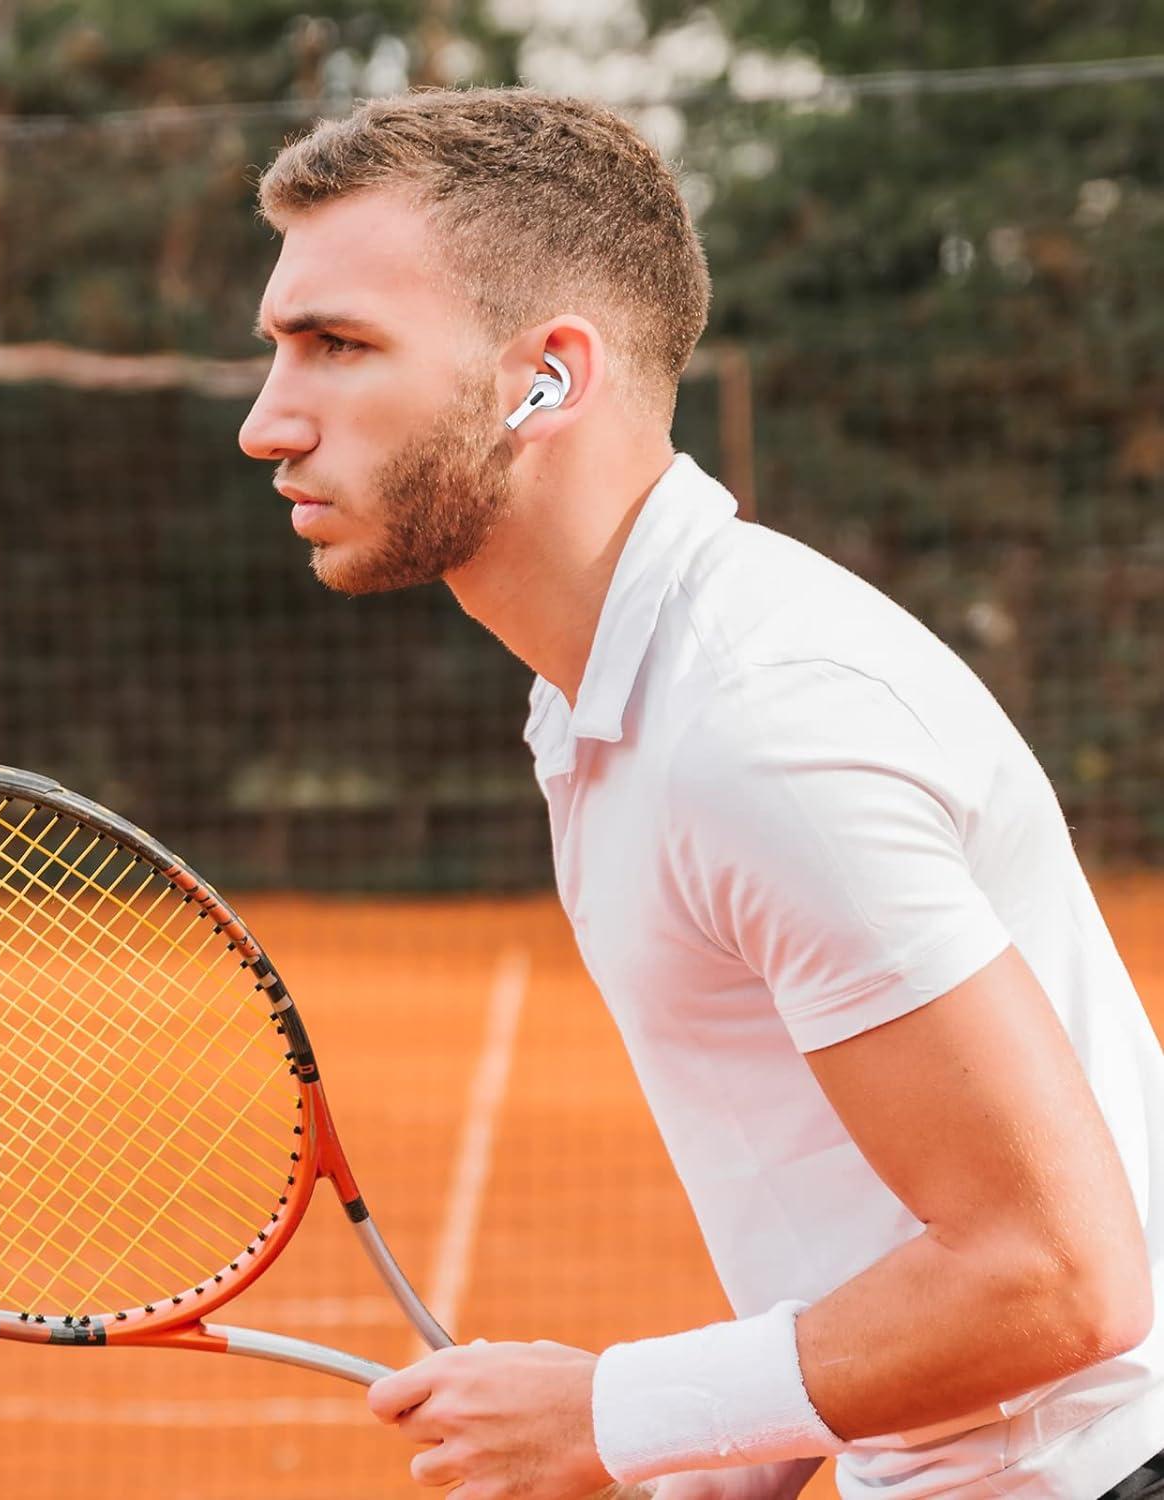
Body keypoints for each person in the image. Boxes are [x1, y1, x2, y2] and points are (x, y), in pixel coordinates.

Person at [237, 87, 1164, 1500]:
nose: (267, 423)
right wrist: (724, 1447)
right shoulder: (614, 693)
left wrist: (615, 1412)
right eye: (278, 350)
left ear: (544, 377)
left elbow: (1057, 1281)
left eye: (339, 347)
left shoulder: (757, 727)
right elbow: (853, 1209)